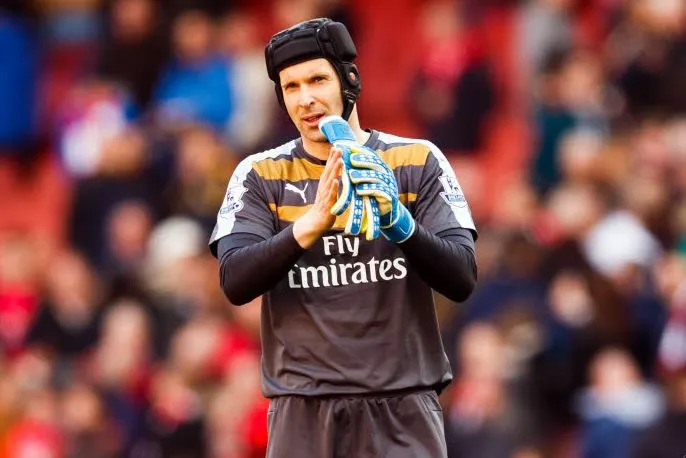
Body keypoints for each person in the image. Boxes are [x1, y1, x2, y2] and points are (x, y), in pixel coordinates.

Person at [208, 18, 478, 458]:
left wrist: (399, 223)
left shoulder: (417, 160)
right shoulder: (259, 174)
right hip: (302, 410)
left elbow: (462, 276)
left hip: (404, 405)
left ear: (350, 80)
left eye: (317, 80)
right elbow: (235, 280)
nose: (305, 99)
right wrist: (310, 224)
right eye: (291, 87)